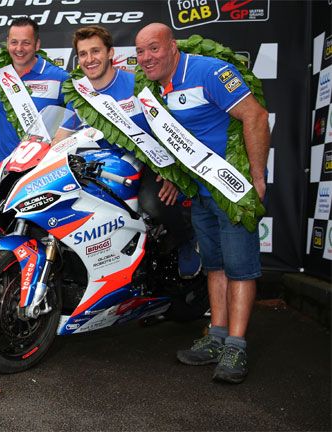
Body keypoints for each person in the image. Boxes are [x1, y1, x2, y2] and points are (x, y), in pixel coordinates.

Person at [135, 23, 270, 384]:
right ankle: (217, 336)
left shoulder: (209, 71)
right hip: (200, 193)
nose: (147, 58)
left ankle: (237, 346)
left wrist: (256, 178)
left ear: (173, 46)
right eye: (140, 52)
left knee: (240, 267)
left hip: (231, 189)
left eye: (154, 49)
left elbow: (255, 116)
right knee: (215, 266)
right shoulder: (153, 90)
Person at [63, 25, 199, 276]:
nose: (90, 59)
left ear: (111, 53)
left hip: (146, 162)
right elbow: (61, 136)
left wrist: (172, 172)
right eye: (83, 54)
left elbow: (169, 128)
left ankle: (187, 241)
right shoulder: (78, 93)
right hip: (100, 169)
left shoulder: (137, 83)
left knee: (153, 202)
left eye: (96, 51)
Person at [0, 17, 69, 255]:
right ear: (7, 43)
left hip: (41, 175)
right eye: (14, 42)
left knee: (36, 241)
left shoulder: (59, 78)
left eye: (25, 43)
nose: (19, 48)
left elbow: (76, 114)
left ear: (37, 44)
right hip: (3, 172)